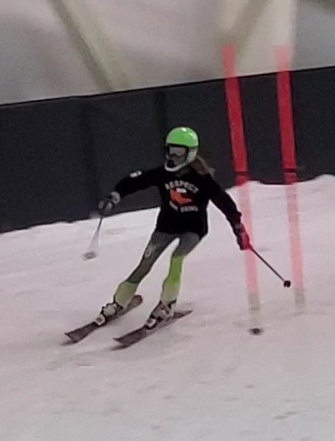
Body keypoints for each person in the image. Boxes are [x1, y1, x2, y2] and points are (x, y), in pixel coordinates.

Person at [94, 126, 251, 329]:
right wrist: (115, 195)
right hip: (166, 227)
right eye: (171, 150)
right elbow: (136, 181)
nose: (173, 156)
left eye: (179, 152)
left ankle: (167, 304)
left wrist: (237, 226)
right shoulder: (162, 173)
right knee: (144, 265)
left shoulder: (202, 179)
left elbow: (225, 202)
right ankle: (118, 303)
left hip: (193, 229)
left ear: (190, 153)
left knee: (176, 259)